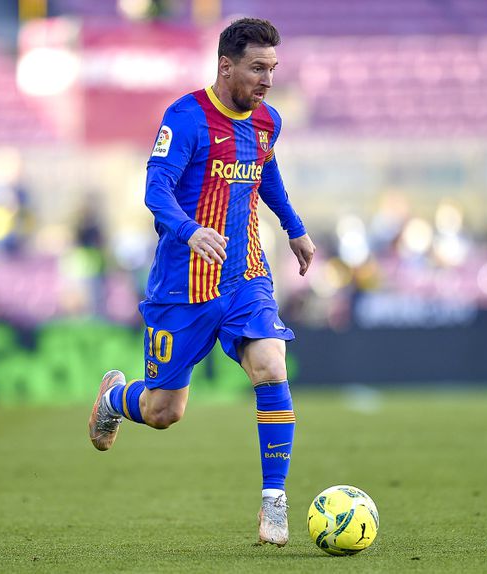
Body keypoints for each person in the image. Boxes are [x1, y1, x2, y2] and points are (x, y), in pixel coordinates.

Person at [87, 17, 315, 547]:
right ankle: (115, 398)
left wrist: (294, 227)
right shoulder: (186, 117)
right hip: (183, 286)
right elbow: (156, 189)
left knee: (270, 363)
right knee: (164, 412)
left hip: (245, 274)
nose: (267, 80)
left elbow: (266, 172)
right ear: (225, 66)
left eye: (273, 69)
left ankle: (274, 501)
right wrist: (189, 231)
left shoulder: (267, 121)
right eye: (257, 69)